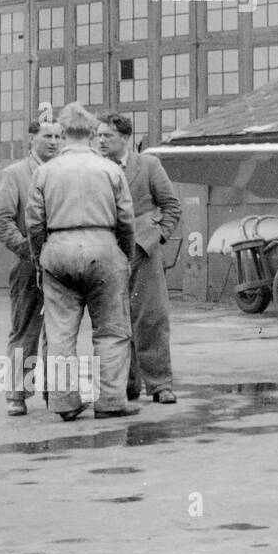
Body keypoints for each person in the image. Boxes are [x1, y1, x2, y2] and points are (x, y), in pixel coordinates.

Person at [26, 103, 137, 421]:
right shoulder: (110, 169)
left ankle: (64, 402)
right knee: (112, 331)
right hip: (103, 249)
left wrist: (39, 258)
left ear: (63, 133)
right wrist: (125, 256)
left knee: (60, 332)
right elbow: (126, 220)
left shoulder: (44, 172)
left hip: (58, 250)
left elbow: (35, 222)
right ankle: (111, 401)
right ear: (90, 133)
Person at [96, 115, 181, 403]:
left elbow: (171, 206)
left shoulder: (148, 165)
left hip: (143, 251)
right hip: (108, 252)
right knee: (114, 320)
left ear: (125, 138)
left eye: (108, 135)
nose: (102, 140)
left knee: (151, 317)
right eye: (99, 135)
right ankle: (126, 385)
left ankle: (159, 385)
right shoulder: (95, 168)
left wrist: (157, 237)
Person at [0, 118, 63, 414]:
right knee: (24, 329)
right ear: (31, 139)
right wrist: (28, 250)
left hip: (62, 263)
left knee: (62, 331)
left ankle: (58, 394)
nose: (54, 141)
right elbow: (2, 220)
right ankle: (16, 394)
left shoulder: (64, 172)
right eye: (47, 136)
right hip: (28, 266)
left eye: (59, 136)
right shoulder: (14, 174)